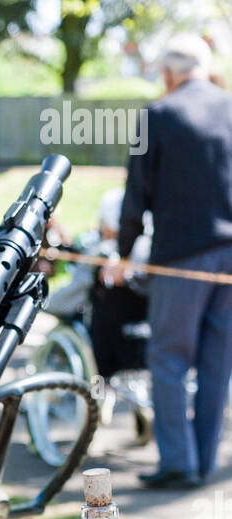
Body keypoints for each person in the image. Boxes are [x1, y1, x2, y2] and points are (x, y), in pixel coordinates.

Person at [119, 34, 232, 489]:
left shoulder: (158, 114)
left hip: (180, 256)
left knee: (167, 357)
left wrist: (124, 252)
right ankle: (203, 461)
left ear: (168, 73)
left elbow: (135, 195)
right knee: (216, 362)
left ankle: (180, 464)